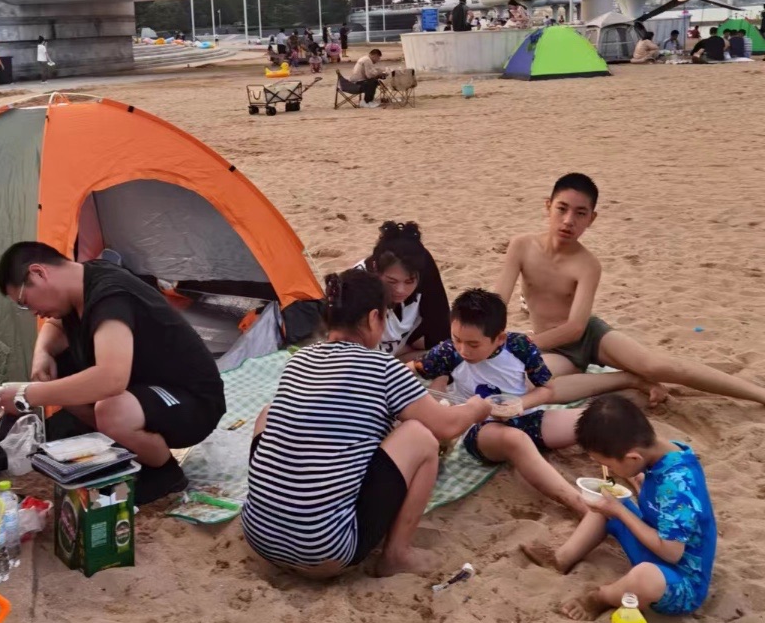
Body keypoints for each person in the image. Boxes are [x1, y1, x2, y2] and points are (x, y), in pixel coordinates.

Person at [240, 269, 495, 579]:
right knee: (420, 436)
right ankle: (397, 555)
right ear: (375, 317)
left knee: (269, 412)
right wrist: (475, 408)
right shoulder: (383, 367)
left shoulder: (299, 360)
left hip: (260, 539)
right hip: (325, 550)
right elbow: (445, 426)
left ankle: (275, 509)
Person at [495, 172, 765, 406]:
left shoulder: (587, 264)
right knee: (527, 384)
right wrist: (489, 335)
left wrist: (527, 344)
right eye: (561, 209)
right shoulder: (522, 245)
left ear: (592, 218)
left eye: (580, 213)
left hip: (589, 336)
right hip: (554, 350)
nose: (568, 220)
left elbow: (576, 327)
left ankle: (758, 393)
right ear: (548, 206)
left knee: (657, 365)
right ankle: (627, 379)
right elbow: (496, 303)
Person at [0, 241, 226, 504]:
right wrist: (43, 354)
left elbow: (111, 378)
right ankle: (125, 449)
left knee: (111, 408)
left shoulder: (110, 294)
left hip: (192, 401)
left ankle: (164, 472)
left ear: (39, 273)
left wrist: (27, 394)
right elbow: (55, 326)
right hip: (147, 389)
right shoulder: (81, 283)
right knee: (60, 372)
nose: (33, 312)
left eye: (25, 301)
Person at [414, 290, 634, 515]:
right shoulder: (447, 352)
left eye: (473, 344)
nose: (463, 349)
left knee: (598, 421)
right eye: (457, 339)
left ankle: (638, 476)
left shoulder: (520, 347)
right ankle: (581, 506)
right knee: (515, 440)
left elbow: (547, 390)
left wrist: (520, 404)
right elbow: (411, 370)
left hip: (526, 416)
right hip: (480, 430)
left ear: (499, 337)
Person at [522, 394, 716, 621]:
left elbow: (671, 553)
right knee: (605, 505)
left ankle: (601, 597)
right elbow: (662, 506)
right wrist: (638, 486)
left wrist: (620, 511)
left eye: (608, 464)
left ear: (633, 458)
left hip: (680, 580)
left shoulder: (678, 484)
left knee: (644, 576)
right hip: (654, 546)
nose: (607, 469)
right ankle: (561, 559)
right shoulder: (664, 455)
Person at [357, 220, 451, 358]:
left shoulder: (423, 267)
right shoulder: (358, 284)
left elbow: (441, 326)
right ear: (376, 269)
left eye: (409, 281)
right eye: (392, 281)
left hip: (402, 341)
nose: (401, 290)